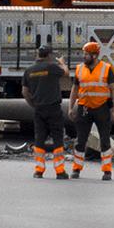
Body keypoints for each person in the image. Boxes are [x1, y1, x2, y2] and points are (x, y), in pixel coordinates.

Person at [68, 41, 114, 180]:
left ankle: (107, 171)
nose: (84, 56)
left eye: (86, 54)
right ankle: (76, 169)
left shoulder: (106, 68)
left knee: (104, 140)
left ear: (95, 55)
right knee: (80, 140)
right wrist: (71, 107)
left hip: (102, 108)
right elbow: (74, 90)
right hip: (84, 107)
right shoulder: (79, 69)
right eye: (84, 54)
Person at [22, 45, 69, 180]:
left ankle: (39, 171)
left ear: (38, 54)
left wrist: (33, 104)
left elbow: (25, 92)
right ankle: (60, 171)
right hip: (53, 108)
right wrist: (62, 63)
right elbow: (66, 73)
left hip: (39, 109)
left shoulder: (29, 71)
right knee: (57, 138)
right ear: (49, 55)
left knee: (39, 139)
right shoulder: (52, 67)